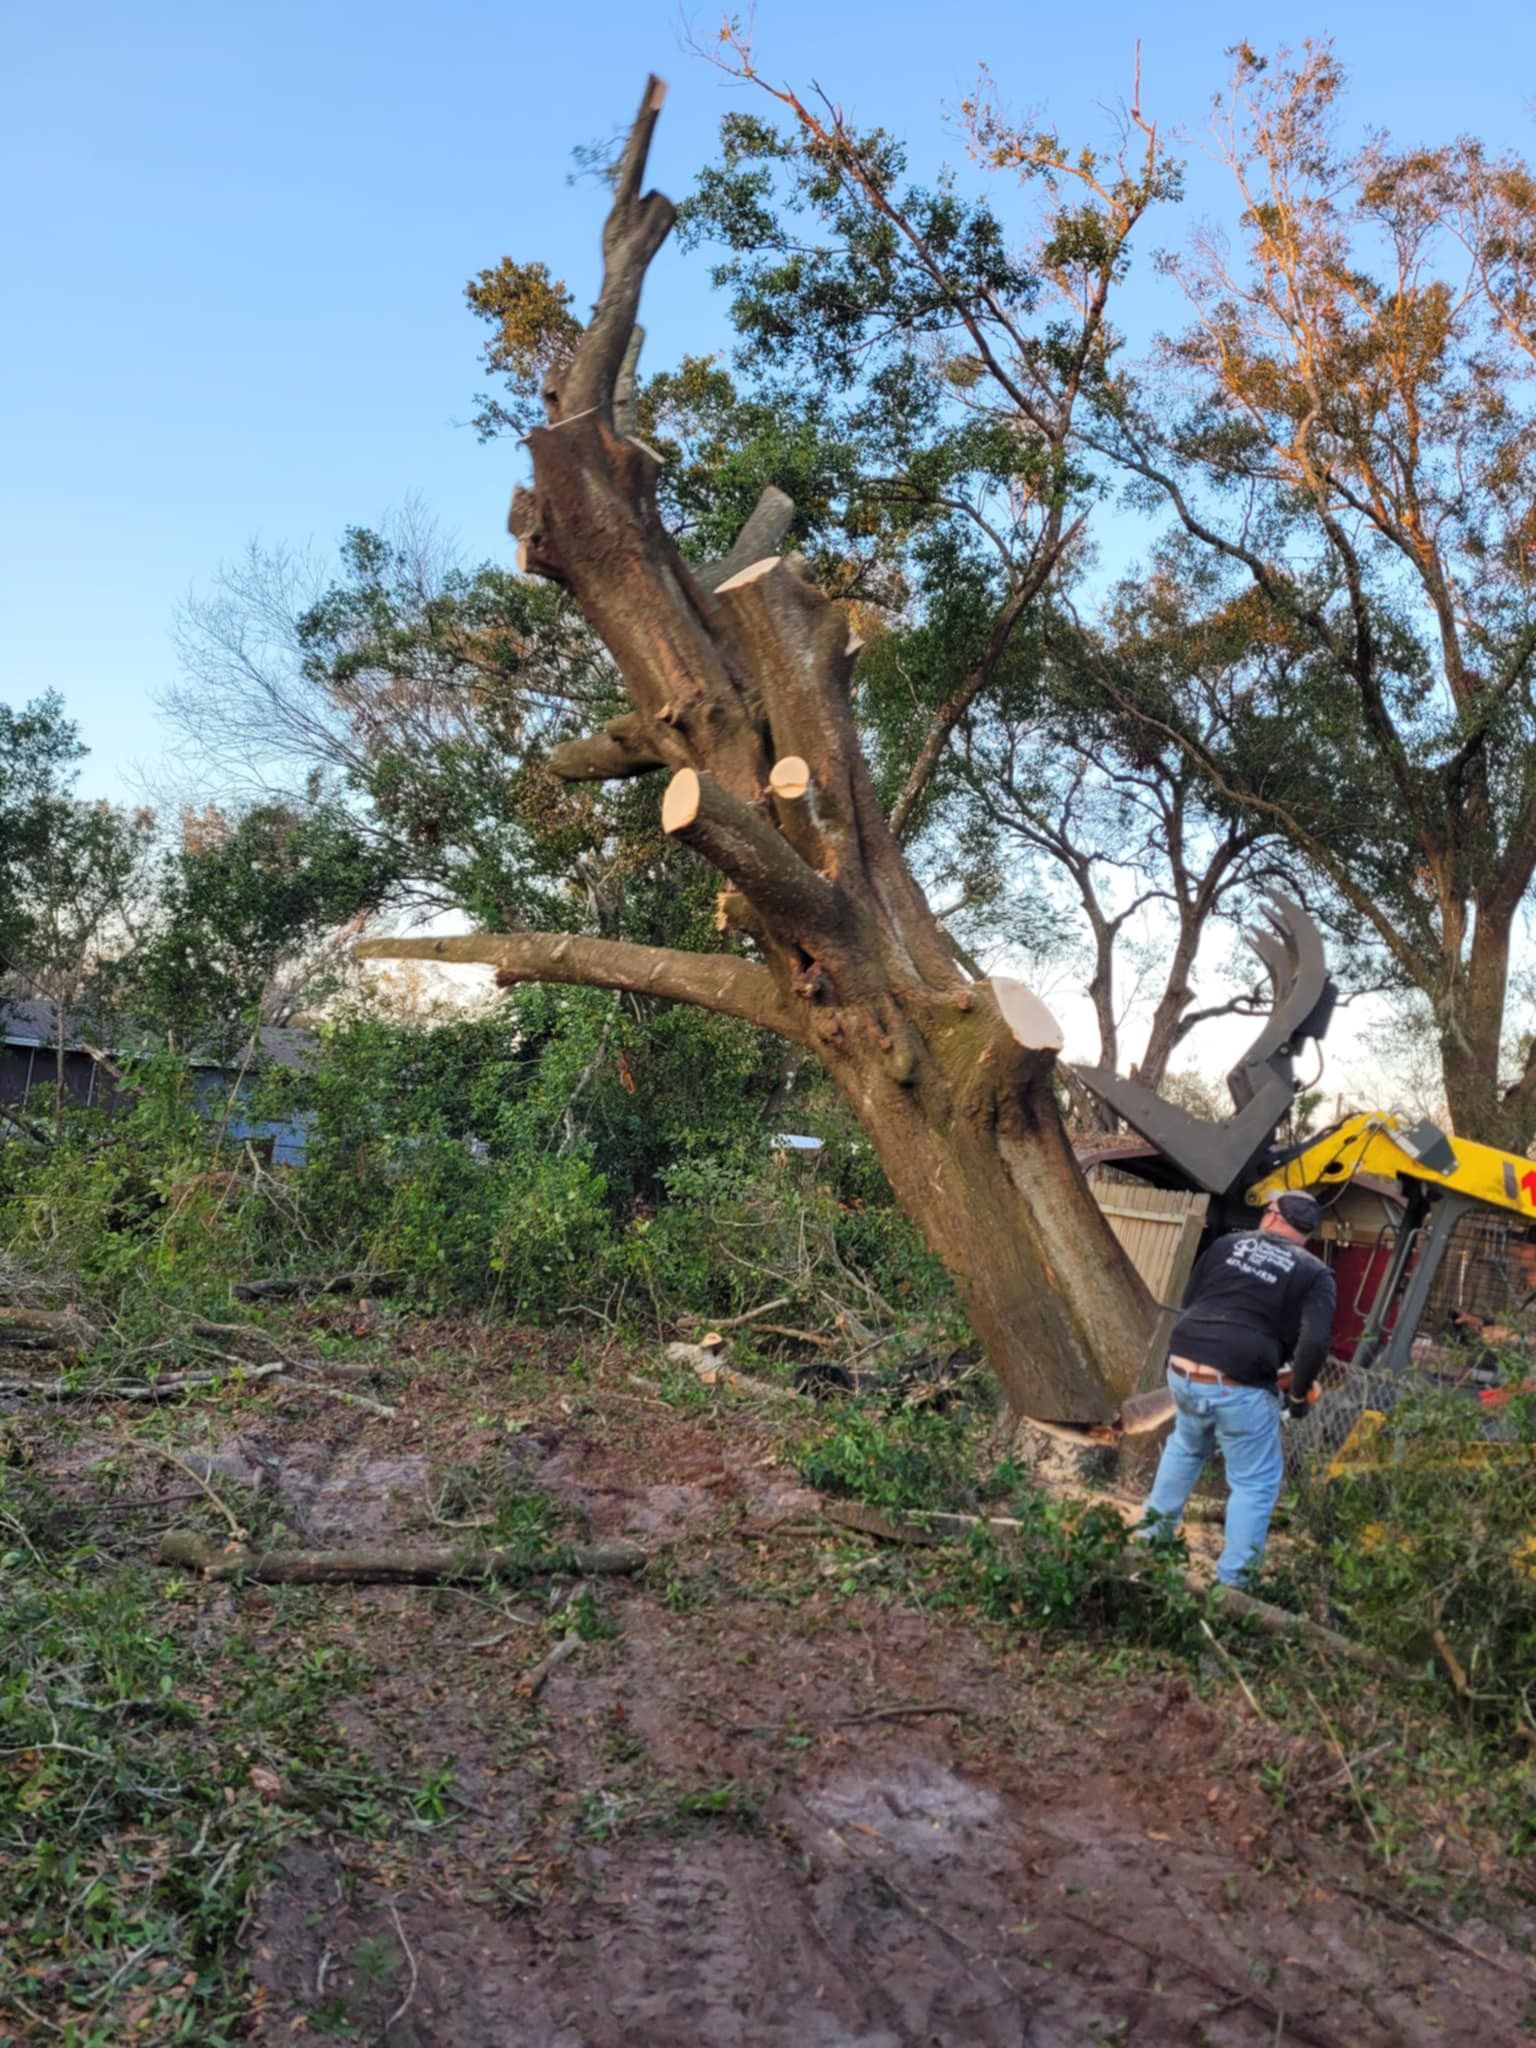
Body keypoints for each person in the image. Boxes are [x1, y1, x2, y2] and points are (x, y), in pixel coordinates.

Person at [1140, 1191, 1336, 1585]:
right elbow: (1314, 1343)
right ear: (1306, 1232)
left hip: (1183, 1365)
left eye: (1266, 1211)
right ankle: (1235, 1585)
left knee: (1185, 1446)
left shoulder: (1227, 1244)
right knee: (1255, 1482)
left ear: (1272, 1217)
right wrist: (1297, 1396)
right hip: (1237, 1383)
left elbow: (1191, 1300)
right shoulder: (1314, 1272)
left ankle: (1149, 1546)